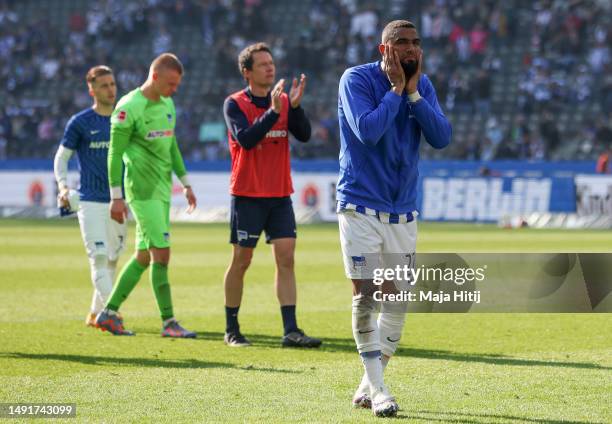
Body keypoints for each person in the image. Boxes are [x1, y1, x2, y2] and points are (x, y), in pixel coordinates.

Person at [337, 20, 452, 417]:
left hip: (403, 209)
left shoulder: (424, 86)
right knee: (367, 295)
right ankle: (381, 391)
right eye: (401, 42)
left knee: (398, 301)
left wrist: (415, 93)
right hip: (360, 205)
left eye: (416, 43)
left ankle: (370, 381)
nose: (411, 49)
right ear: (383, 48)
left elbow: (441, 137)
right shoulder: (355, 80)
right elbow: (368, 131)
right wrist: (396, 90)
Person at [221, 42, 321, 348]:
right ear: (247, 72)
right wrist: (273, 113)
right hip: (248, 193)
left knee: (286, 259)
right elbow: (246, 140)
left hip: (279, 194)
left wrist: (296, 106)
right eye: (263, 64)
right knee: (242, 261)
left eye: (271, 62)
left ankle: (291, 330)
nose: (270, 67)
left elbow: (304, 134)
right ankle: (232, 329)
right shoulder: (234, 103)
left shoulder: (284, 103)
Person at [95, 53, 197, 338]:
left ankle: (108, 313)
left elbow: (172, 144)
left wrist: (185, 182)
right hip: (141, 192)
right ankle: (168, 322)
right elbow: (114, 154)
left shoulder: (167, 103)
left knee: (143, 256)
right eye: (171, 84)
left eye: (177, 85)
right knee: (161, 254)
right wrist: (116, 197)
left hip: (162, 191)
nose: (174, 90)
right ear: (155, 77)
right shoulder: (129, 107)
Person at [53, 65, 127, 327]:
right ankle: (112, 313)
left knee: (112, 260)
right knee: (98, 258)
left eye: (113, 84)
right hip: (90, 201)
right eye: (104, 85)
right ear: (91, 89)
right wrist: (62, 186)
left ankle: (95, 313)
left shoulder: (124, 117)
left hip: (119, 202)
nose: (111, 89)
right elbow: (61, 158)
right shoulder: (80, 122)